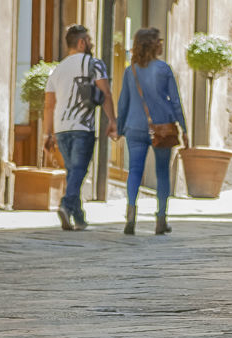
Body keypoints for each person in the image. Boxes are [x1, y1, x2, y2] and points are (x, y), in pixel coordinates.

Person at [43, 24, 118, 231]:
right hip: (82, 127)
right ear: (81, 42)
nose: (91, 44)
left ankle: (80, 217)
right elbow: (106, 94)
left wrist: (47, 133)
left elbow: (49, 104)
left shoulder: (56, 69)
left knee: (72, 171)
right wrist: (112, 120)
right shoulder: (94, 64)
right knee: (78, 170)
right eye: (89, 40)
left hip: (61, 128)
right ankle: (66, 206)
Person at [116, 28, 188, 236]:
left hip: (135, 126)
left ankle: (131, 215)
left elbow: (123, 102)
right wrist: (183, 128)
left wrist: (120, 128)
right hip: (162, 127)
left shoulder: (131, 71)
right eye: (159, 40)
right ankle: (161, 218)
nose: (162, 43)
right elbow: (175, 102)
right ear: (153, 44)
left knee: (135, 171)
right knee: (162, 173)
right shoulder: (164, 69)